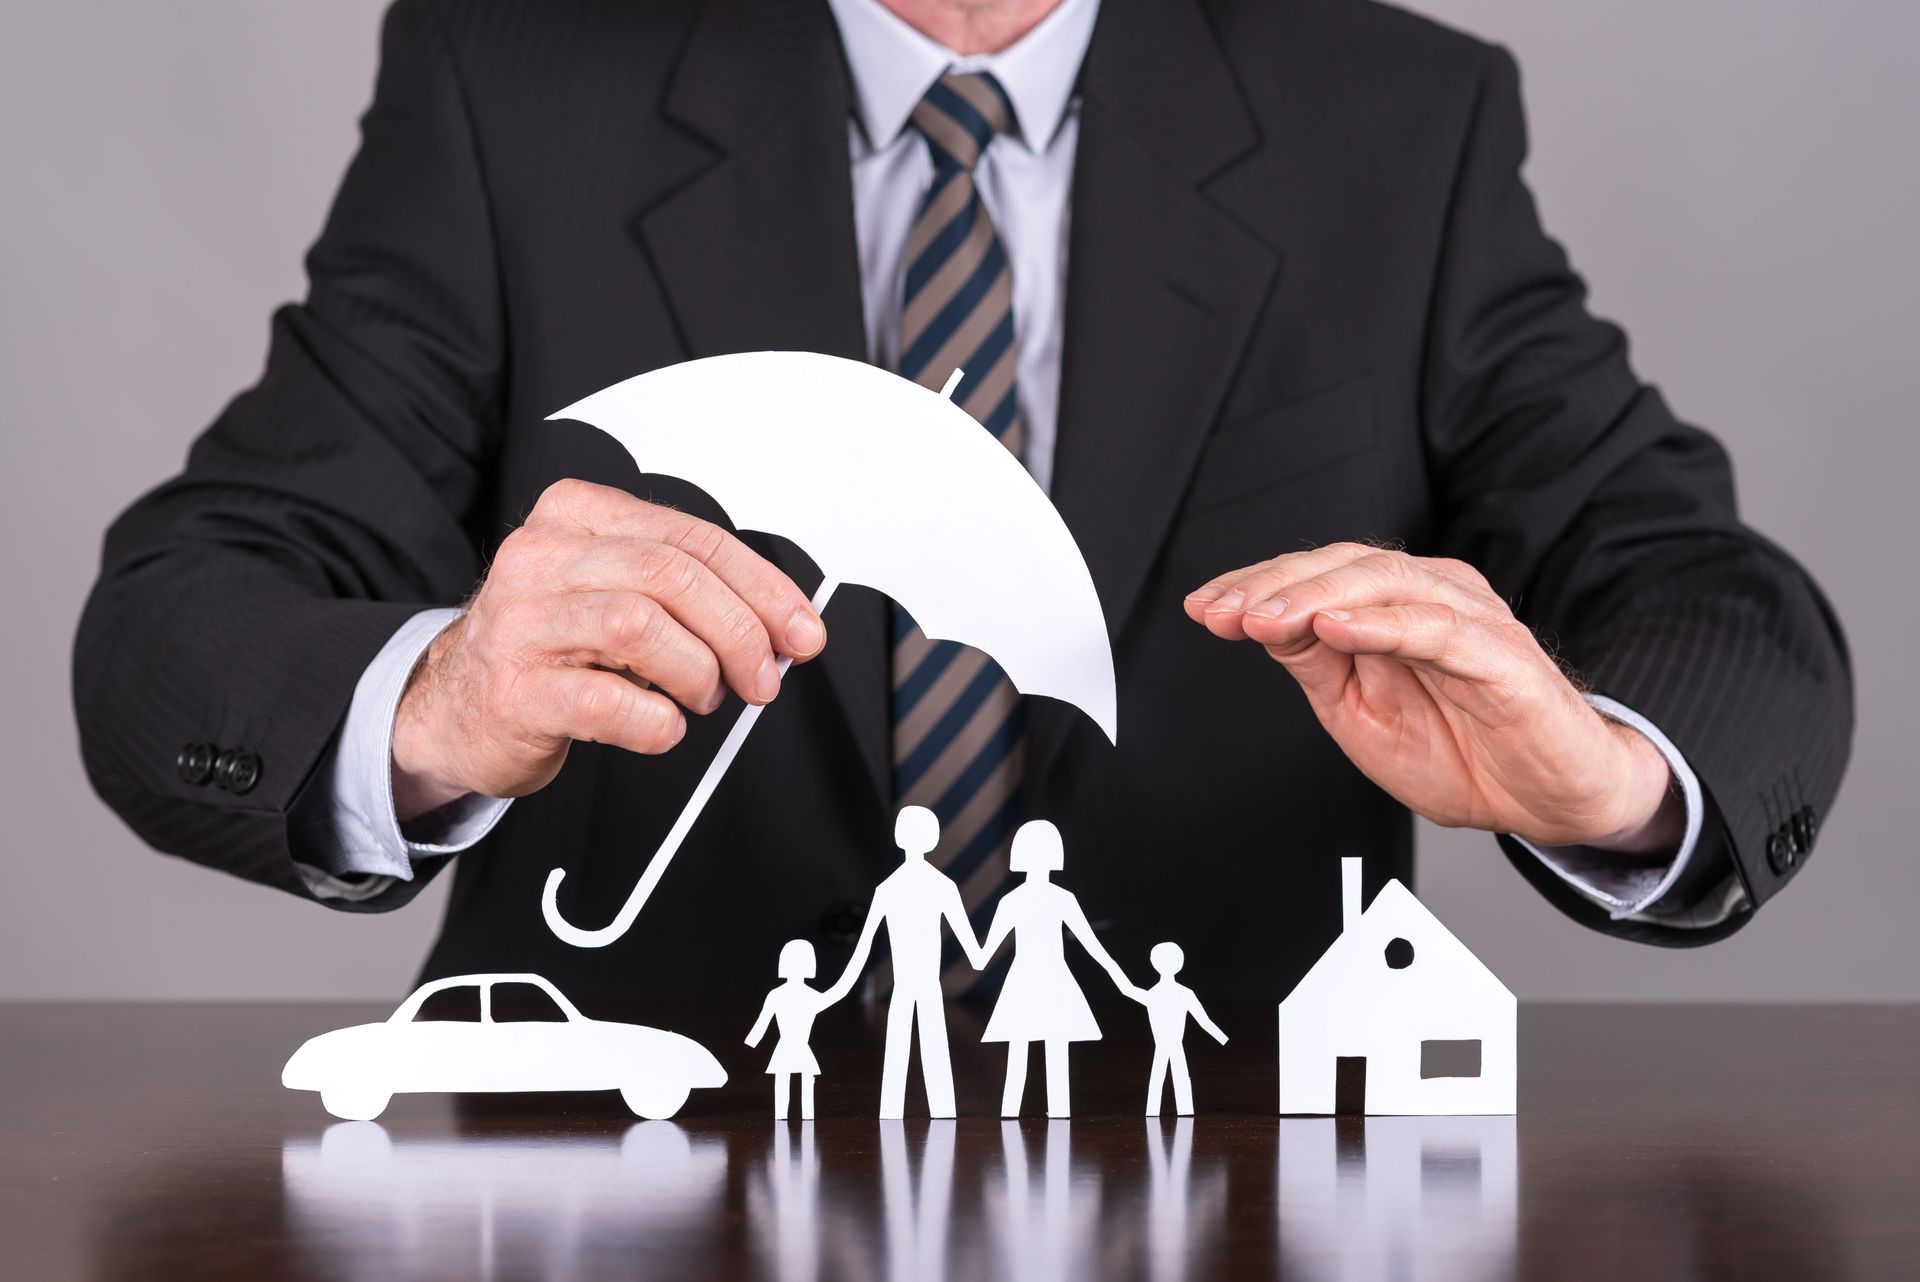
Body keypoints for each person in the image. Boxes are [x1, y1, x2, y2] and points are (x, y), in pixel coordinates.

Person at [74, 0, 1851, 1003]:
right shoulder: (515, 84)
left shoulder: (1399, 118)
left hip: (1230, 1171)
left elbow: (1713, 605)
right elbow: (175, 629)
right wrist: (432, 705)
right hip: (624, 1176)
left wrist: (1614, 777)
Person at [977, 821, 1140, 1117]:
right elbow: (1093, 947)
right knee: (1045, 1050)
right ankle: (1039, 1111)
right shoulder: (1056, 899)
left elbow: (980, 959)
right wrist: (1121, 979)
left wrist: (1123, 980)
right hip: (1042, 980)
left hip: (1036, 980)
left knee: (1026, 1050)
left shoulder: (1017, 901)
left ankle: (1018, 1111)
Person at [831, 805, 983, 1119]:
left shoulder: (888, 888)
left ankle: (898, 1110)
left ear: (899, 837)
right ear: (933, 837)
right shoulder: (941, 886)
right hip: (924, 988)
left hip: (906, 989)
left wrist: (835, 991)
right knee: (932, 1049)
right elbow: (975, 952)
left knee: (897, 1052)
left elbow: (863, 948)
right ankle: (940, 1109)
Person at [746, 939, 843, 1120]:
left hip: (797, 1047)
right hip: (787, 1047)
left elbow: (839, 991)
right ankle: (787, 1114)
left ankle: (804, 1115)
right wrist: (751, 1041)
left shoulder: (801, 996)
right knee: (788, 1081)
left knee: (800, 1081)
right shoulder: (782, 995)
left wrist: (752, 1041)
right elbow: (762, 1022)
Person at [1139, 943, 1228, 1117]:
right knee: (1173, 1079)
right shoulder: (1178, 993)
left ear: (1153, 962)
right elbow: (1204, 1021)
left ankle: (1164, 1110)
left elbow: (1204, 1021)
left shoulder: (1153, 994)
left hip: (1169, 1045)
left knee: (1160, 1079)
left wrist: (1223, 1039)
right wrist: (1223, 1039)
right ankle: (1177, 1110)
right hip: (1169, 1045)